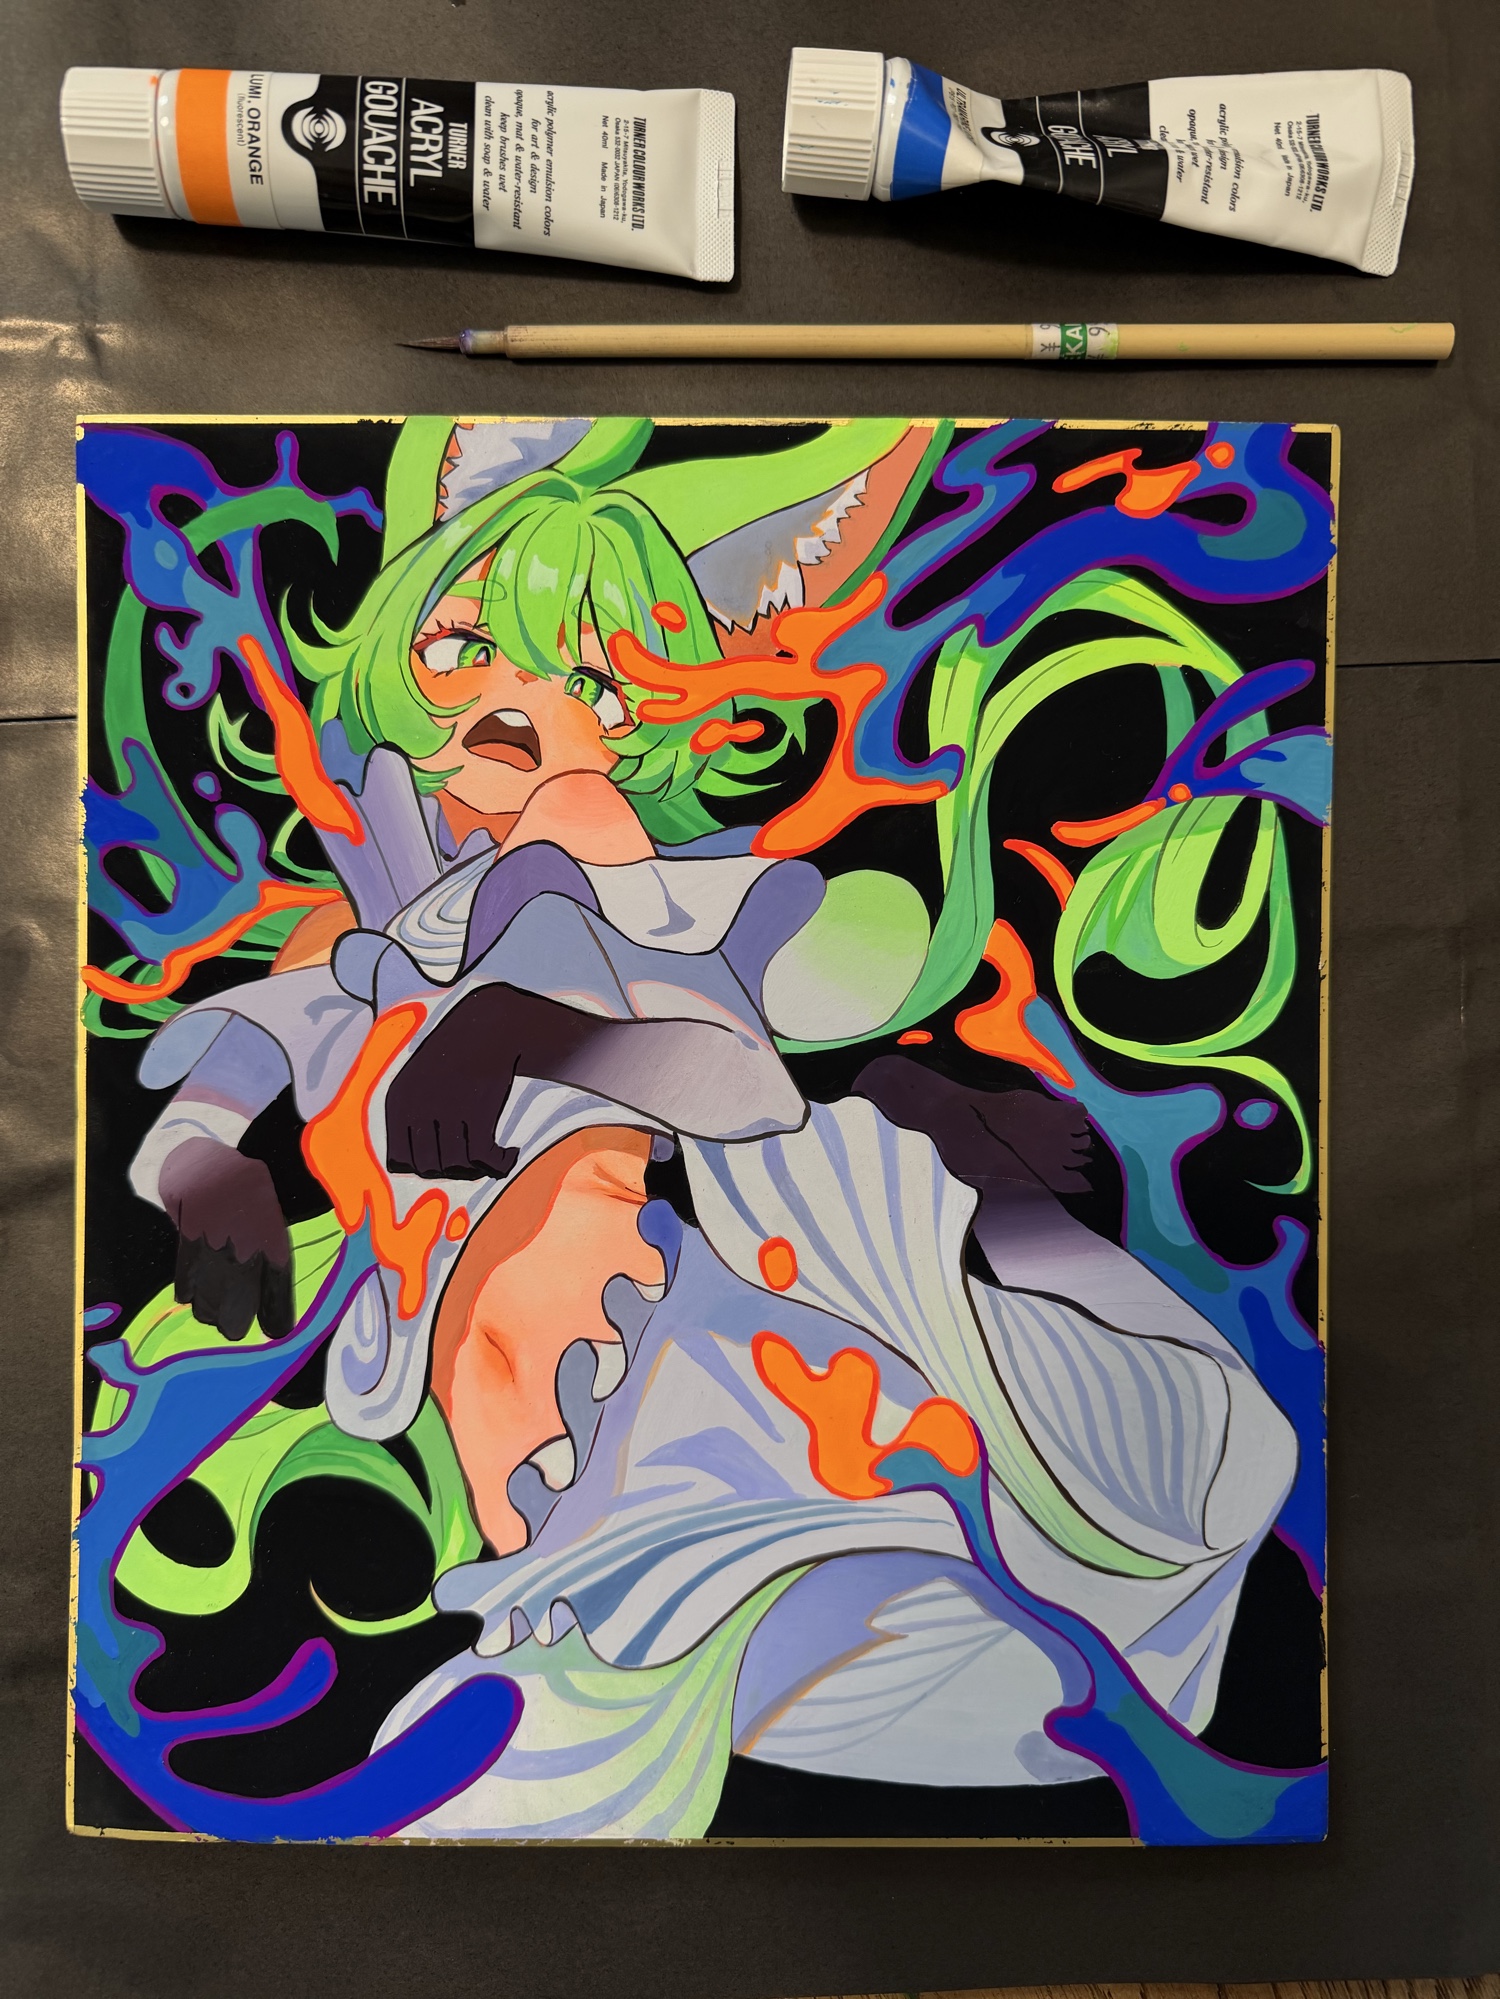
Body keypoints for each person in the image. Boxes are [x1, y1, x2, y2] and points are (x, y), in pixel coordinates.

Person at [125, 417, 1297, 1837]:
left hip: (720, 1399)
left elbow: (744, 1091)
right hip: (553, 1501)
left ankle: (983, 1203)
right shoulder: (375, 935)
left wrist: (531, 1038)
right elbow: (207, 1094)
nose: (503, 697)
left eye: (578, 672)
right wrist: (207, 1175)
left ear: (638, 714)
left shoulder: (645, 880)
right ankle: (955, 1170)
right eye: (461, 648)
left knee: (1067, 1561)